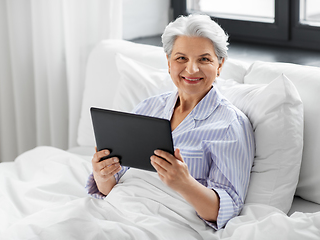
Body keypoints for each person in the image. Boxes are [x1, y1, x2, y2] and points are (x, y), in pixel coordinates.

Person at [86, 14, 255, 230]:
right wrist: (102, 174)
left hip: (163, 223)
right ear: (168, 63)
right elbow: (110, 186)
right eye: (181, 58)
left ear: (220, 65)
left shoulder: (230, 125)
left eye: (204, 59)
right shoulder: (149, 108)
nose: (191, 69)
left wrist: (185, 184)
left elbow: (227, 208)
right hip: (112, 209)